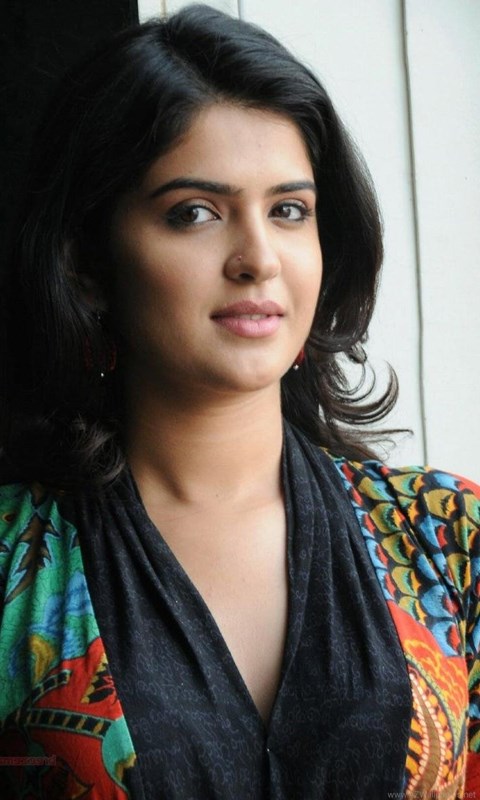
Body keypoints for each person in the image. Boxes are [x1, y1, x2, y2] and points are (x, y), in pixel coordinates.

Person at [0, 4, 478, 799]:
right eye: (195, 213)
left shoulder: (446, 539)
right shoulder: (14, 565)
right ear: (87, 260)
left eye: (289, 211)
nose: (258, 258)